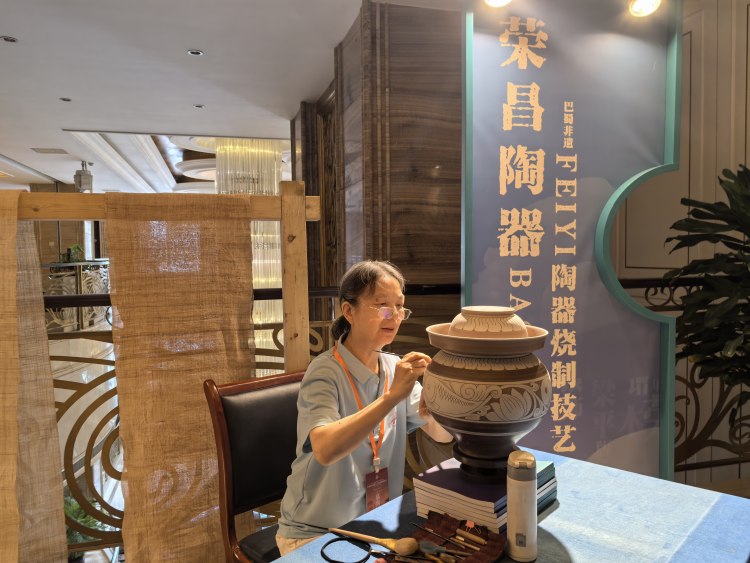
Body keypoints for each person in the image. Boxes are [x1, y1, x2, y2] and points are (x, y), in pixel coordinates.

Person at [275, 260, 452, 555]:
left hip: (374, 524)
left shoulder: (395, 367)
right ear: (348, 311)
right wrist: (391, 398)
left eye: (400, 307)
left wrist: (438, 397)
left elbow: (441, 435)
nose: (394, 316)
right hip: (316, 531)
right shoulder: (324, 372)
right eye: (383, 305)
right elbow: (325, 449)